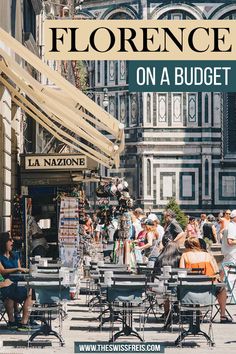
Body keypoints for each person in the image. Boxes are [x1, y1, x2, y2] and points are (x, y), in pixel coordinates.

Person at [180, 237, 231, 323]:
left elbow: (181, 273)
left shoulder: (185, 255)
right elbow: (216, 272)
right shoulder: (208, 255)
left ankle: (199, 313)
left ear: (187, 247)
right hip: (209, 289)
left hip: (191, 290)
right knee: (222, 290)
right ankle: (223, 315)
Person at [0, 232, 32, 330]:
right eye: (10, 240)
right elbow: (2, 271)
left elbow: (20, 272)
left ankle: (24, 321)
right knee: (8, 291)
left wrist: (23, 271)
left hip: (17, 282)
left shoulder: (15, 256)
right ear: (3, 242)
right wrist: (18, 269)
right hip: (6, 282)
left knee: (31, 290)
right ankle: (12, 320)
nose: (12, 242)